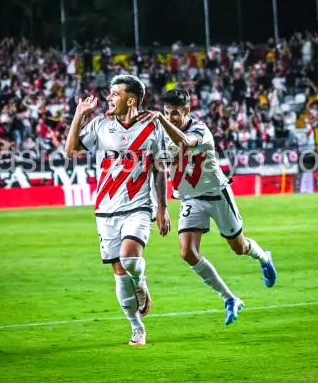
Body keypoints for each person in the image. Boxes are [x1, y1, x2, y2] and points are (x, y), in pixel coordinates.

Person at [137, 88, 276, 326]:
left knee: (239, 247)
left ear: (187, 111)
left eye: (175, 114)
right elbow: (158, 169)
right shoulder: (159, 134)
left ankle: (264, 257)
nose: (170, 118)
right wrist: (161, 208)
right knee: (187, 252)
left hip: (216, 195)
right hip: (190, 200)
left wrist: (160, 120)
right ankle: (230, 299)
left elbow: (183, 142)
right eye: (166, 113)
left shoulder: (200, 130)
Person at [65, 74, 171, 346]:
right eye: (109, 93)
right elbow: (70, 151)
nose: (108, 98)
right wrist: (79, 115)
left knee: (130, 258)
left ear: (131, 100)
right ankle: (137, 327)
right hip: (105, 209)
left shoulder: (152, 127)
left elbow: (160, 169)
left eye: (115, 94)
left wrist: (162, 208)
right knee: (119, 271)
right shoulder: (100, 124)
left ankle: (141, 280)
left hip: (138, 206)